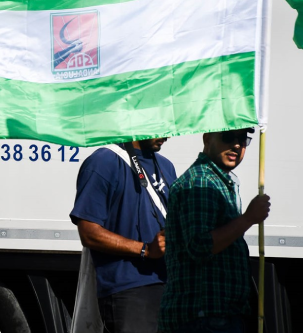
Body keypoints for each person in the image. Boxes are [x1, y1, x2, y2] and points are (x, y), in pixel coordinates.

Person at [157, 128, 271, 333]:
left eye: (243, 139)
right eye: (228, 137)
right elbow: (200, 246)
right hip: (203, 319)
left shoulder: (216, 181)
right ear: (207, 139)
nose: (237, 145)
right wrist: (248, 218)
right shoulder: (201, 181)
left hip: (212, 317)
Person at [70, 137, 177, 333]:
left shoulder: (166, 166)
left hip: (169, 286)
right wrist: (145, 249)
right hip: (129, 290)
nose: (167, 134)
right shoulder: (103, 161)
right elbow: (88, 233)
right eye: (160, 124)